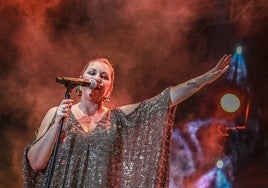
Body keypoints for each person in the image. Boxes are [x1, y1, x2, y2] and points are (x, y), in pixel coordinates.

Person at [23, 54, 232, 187]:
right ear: (80, 80)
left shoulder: (117, 119)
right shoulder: (56, 113)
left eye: (104, 76)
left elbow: (163, 101)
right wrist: (58, 124)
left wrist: (204, 80)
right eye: (92, 72)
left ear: (109, 89)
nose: (97, 78)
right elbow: (35, 163)